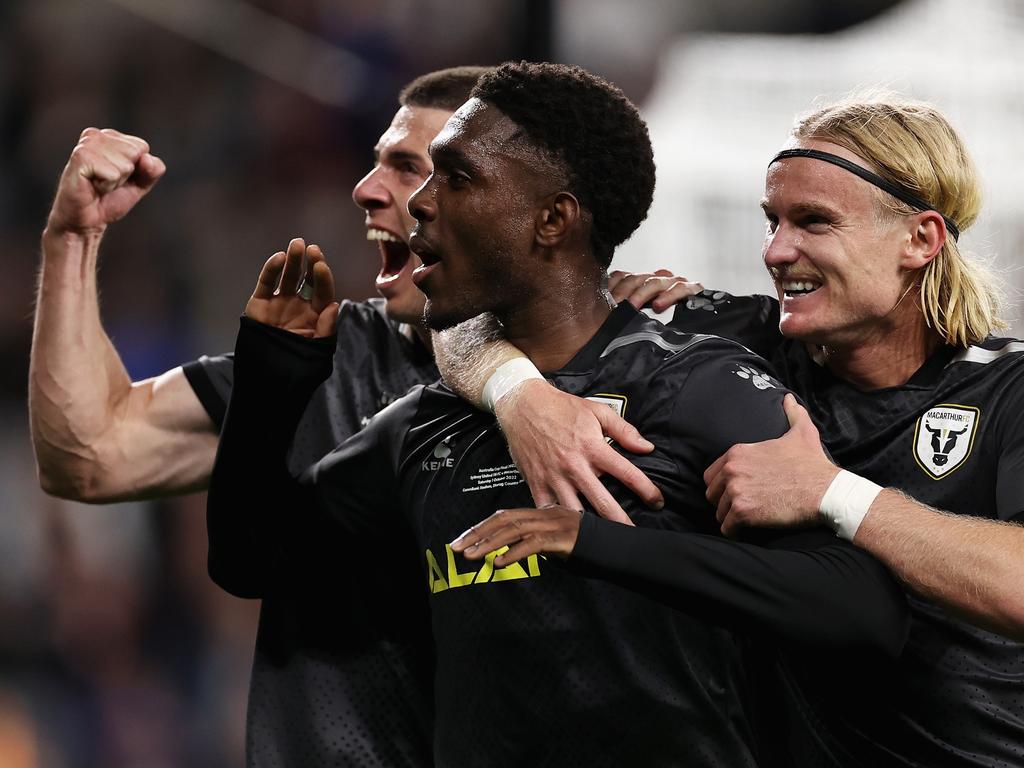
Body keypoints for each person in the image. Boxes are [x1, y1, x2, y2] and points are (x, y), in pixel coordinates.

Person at [209, 61, 907, 767]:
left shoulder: (694, 384)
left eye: (456, 178)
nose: (418, 203)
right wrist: (274, 376)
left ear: (551, 220)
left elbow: (863, 609)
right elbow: (254, 558)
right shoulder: (427, 422)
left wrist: (595, 544)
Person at [29, 64, 682, 766]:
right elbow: (90, 455)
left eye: (419, 169)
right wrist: (72, 238)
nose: (367, 190)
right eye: (382, 165)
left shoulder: (640, 362)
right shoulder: (321, 360)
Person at [448, 94, 1024, 766]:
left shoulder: (1006, 388)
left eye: (814, 222)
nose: (777, 251)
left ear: (919, 239)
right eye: (772, 221)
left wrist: (831, 492)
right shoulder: (727, 339)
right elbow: (465, 310)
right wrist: (520, 397)